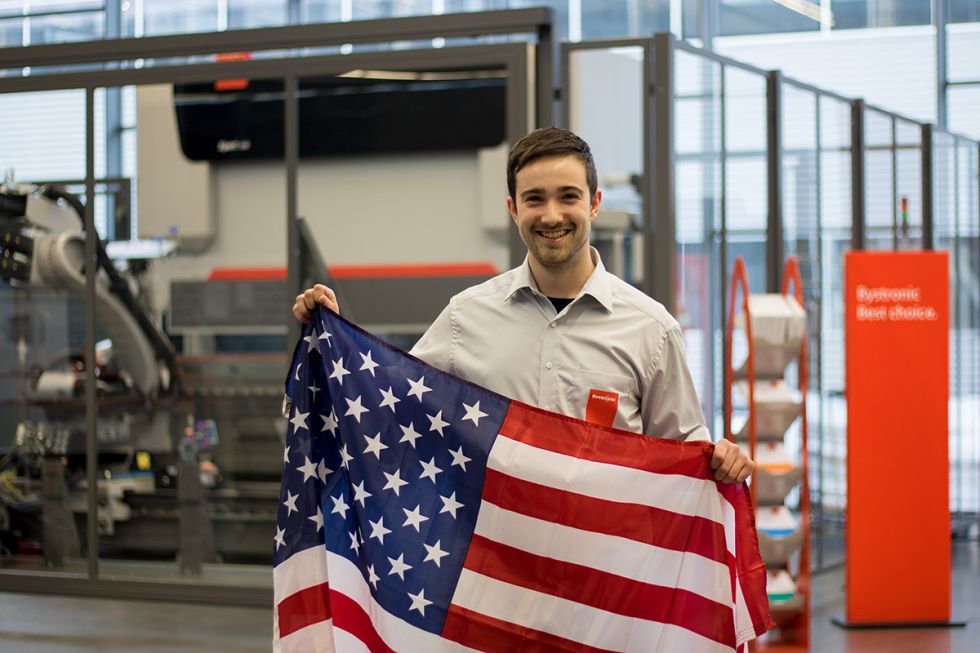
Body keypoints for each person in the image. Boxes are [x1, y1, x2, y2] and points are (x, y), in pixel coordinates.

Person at [292, 127, 754, 484]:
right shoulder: (463, 319)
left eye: (568, 197)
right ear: (513, 209)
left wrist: (721, 459)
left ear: (593, 204)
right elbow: (389, 410)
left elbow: (684, 451)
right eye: (535, 199)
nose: (551, 215)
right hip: (494, 581)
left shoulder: (651, 330)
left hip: (605, 586)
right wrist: (332, 337)